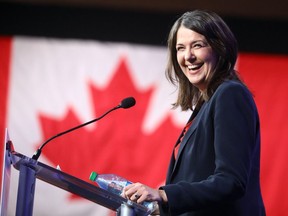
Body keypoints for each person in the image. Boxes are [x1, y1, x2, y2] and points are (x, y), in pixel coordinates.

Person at [122, 10, 266, 216]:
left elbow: (231, 182)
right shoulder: (206, 105)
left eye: (197, 45)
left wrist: (164, 195)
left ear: (220, 48)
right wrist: (158, 208)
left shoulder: (230, 94)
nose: (188, 56)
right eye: (180, 48)